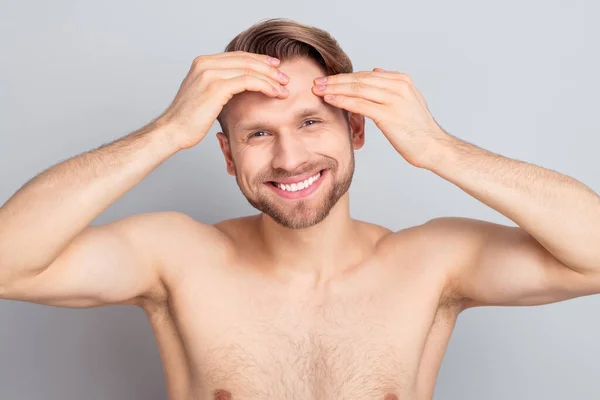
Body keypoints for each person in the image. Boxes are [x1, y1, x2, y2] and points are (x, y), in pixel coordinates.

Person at [0, 17, 598, 400]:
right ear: (228, 157)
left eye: (310, 121)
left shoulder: (430, 264)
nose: (290, 157)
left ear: (356, 130)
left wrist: (438, 149)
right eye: (257, 135)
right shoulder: (177, 259)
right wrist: (166, 131)